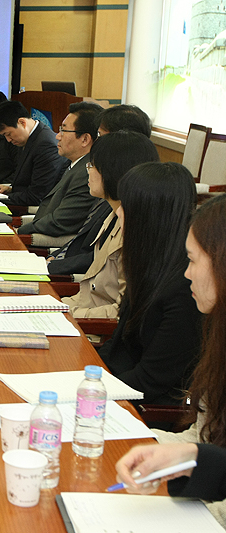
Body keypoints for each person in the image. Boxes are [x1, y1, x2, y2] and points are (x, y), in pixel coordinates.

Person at [114, 195, 226, 520]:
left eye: (192, 260)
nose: (187, 274)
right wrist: (138, 442)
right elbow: (200, 438)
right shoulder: (217, 330)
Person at [98, 162, 200, 408]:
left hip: (147, 407)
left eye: (126, 205)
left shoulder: (187, 286)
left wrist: (87, 393)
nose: (118, 212)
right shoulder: (150, 261)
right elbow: (119, 345)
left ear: (149, 215)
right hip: (117, 385)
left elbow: (151, 380)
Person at [59, 131, 159, 317]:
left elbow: (122, 312)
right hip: (80, 314)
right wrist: (53, 306)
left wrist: (70, 313)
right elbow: (89, 292)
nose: (87, 170)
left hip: (94, 329)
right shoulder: (112, 215)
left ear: (113, 171)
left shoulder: (136, 229)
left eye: (92, 165)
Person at [47, 105, 153, 275]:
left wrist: (51, 266)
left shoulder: (128, 200)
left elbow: (100, 259)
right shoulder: (107, 189)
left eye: (100, 136)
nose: (96, 142)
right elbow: (83, 239)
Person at [18, 101, 102, 237]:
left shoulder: (87, 173)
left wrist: (18, 231)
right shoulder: (75, 165)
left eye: (63, 130)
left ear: (85, 139)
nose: (57, 136)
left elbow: (60, 222)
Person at [0, 100, 67, 206]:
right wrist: (8, 189)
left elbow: (37, 196)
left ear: (22, 123)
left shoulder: (46, 145)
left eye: (8, 134)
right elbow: (28, 185)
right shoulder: (29, 138)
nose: (8, 140)